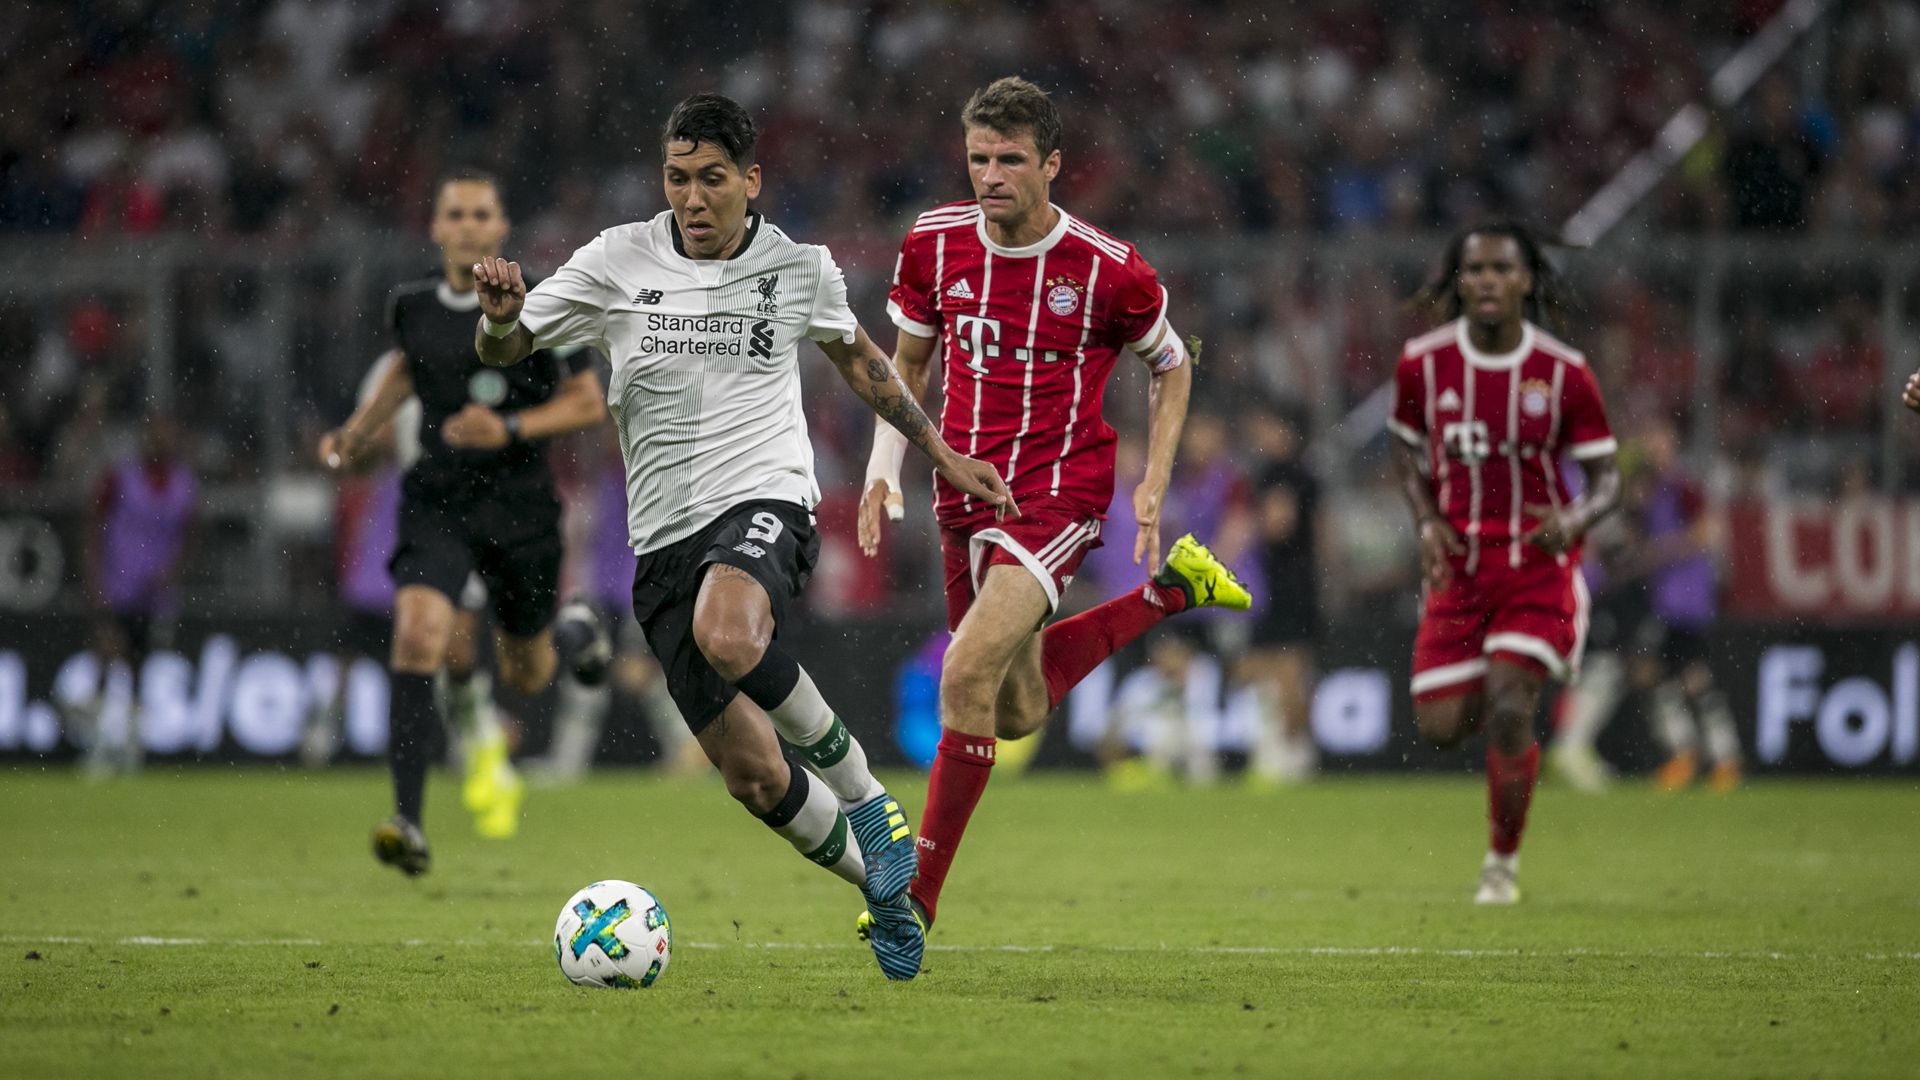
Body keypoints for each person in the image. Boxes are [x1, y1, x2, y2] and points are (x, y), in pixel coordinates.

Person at [470, 93, 1014, 981]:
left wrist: (940, 453)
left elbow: (863, 363)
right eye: (678, 178)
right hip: (662, 547)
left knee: (728, 635)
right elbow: (506, 348)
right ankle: (886, 893)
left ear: (751, 180)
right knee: (755, 777)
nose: (694, 197)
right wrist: (496, 317)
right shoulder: (618, 260)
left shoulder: (799, 269)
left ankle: (869, 802)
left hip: (765, 500)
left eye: (713, 179)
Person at [855, 77, 1251, 937]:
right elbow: (905, 369)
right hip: (961, 485)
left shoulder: (1110, 270)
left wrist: (1154, 477)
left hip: (1057, 491)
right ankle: (1171, 594)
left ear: (1053, 165)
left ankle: (913, 901)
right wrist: (885, 464)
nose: (991, 176)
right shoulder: (931, 243)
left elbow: (1172, 362)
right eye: (979, 159)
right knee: (1016, 707)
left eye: (1010, 160)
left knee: (961, 674)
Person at [320, 169, 613, 876]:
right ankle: (407, 819)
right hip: (438, 501)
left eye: (481, 212)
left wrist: (508, 425)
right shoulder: (412, 306)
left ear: (500, 225)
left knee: (529, 670)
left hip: (519, 509)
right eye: (454, 212)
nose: (467, 224)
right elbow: (403, 372)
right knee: (419, 634)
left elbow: (585, 404)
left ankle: (575, 631)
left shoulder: (542, 303)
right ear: (437, 227)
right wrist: (357, 432)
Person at [1388, 222, 1621, 904]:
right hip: (1458, 571)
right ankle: (1509, 708)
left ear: (1526, 280)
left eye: (1501, 269)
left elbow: (1608, 479)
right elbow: (1405, 451)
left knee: (1512, 703)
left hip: (1536, 566)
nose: (1488, 280)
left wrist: (1575, 518)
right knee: (1438, 729)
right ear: (1460, 282)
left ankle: (1501, 863)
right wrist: (1427, 520)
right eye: (1475, 270)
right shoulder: (1422, 365)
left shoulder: (1564, 372)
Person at [1628, 418, 1741, 792]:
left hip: (1686, 596)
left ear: (1672, 447)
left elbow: (1707, 533)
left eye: (1659, 445)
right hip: (1669, 596)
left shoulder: (1682, 485)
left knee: (1669, 673)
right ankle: (1708, 757)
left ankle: (1702, 756)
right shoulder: (1652, 489)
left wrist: (1661, 550)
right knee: (1677, 675)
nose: (1653, 452)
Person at [1243, 401, 1322, 783]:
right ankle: (1296, 751)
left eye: (1268, 427)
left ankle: (1294, 755)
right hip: (1294, 582)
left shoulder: (1283, 473)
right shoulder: (1304, 474)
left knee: (1286, 670)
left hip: (1285, 584)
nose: (1261, 434)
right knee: (1283, 670)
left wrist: (1244, 527)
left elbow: (1277, 525)